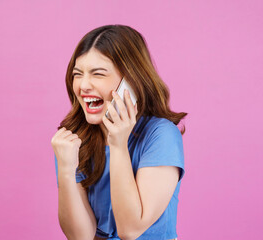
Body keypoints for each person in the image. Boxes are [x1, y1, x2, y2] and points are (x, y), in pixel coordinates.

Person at [51, 24, 187, 240]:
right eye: (78, 74)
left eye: (98, 74)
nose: (83, 85)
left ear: (130, 82)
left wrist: (118, 144)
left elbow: (130, 230)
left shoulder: (161, 135)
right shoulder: (75, 140)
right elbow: (80, 237)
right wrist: (67, 169)